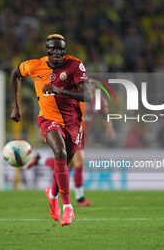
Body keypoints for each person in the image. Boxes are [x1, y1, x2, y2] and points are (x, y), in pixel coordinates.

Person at [10, 34, 92, 226]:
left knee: (66, 161)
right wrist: (16, 105)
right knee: (60, 152)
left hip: (73, 122)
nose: (57, 54)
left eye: (60, 50)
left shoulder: (75, 65)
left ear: (64, 51)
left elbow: (87, 94)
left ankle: (52, 193)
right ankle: (68, 208)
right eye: (53, 50)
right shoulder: (35, 65)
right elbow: (15, 74)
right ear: (47, 50)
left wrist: (60, 90)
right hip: (48, 119)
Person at [45, 79, 116, 206]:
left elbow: (106, 115)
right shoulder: (76, 96)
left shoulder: (98, 100)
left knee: (67, 166)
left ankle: (39, 161)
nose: (89, 88)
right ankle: (80, 198)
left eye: (91, 86)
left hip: (82, 136)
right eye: (87, 85)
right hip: (70, 132)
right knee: (79, 162)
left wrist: (109, 128)